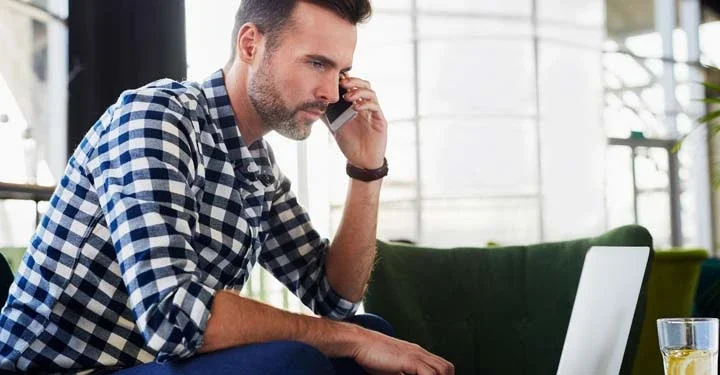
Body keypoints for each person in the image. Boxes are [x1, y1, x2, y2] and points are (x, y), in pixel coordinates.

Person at [0, 0, 454, 374]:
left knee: (372, 335)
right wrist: (351, 339)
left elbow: (335, 299)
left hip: (152, 362)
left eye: (340, 71)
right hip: (67, 368)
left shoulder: (256, 163)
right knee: (299, 359)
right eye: (317, 63)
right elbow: (173, 316)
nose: (332, 92)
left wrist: (367, 168)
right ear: (251, 44)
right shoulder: (156, 118)